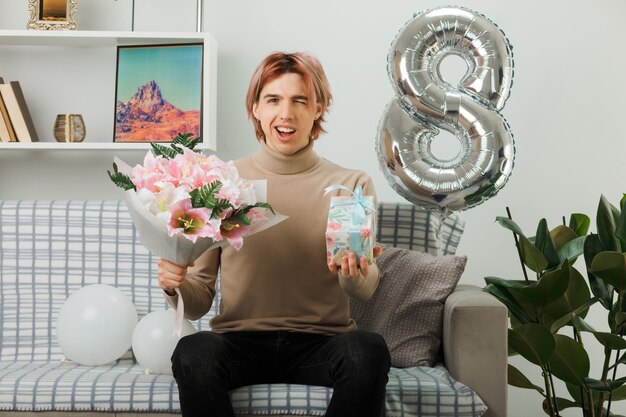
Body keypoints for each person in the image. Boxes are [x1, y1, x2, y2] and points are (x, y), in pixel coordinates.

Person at [158, 51, 391, 417]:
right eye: (273, 100)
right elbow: (200, 298)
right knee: (193, 351)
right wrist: (175, 284)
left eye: (300, 100)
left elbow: (363, 287)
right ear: (255, 108)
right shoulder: (221, 181)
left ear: (319, 108)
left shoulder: (351, 184)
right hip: (238, 344)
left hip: (323, 344)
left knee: (368, 349)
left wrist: (357, 274)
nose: (286, 113)